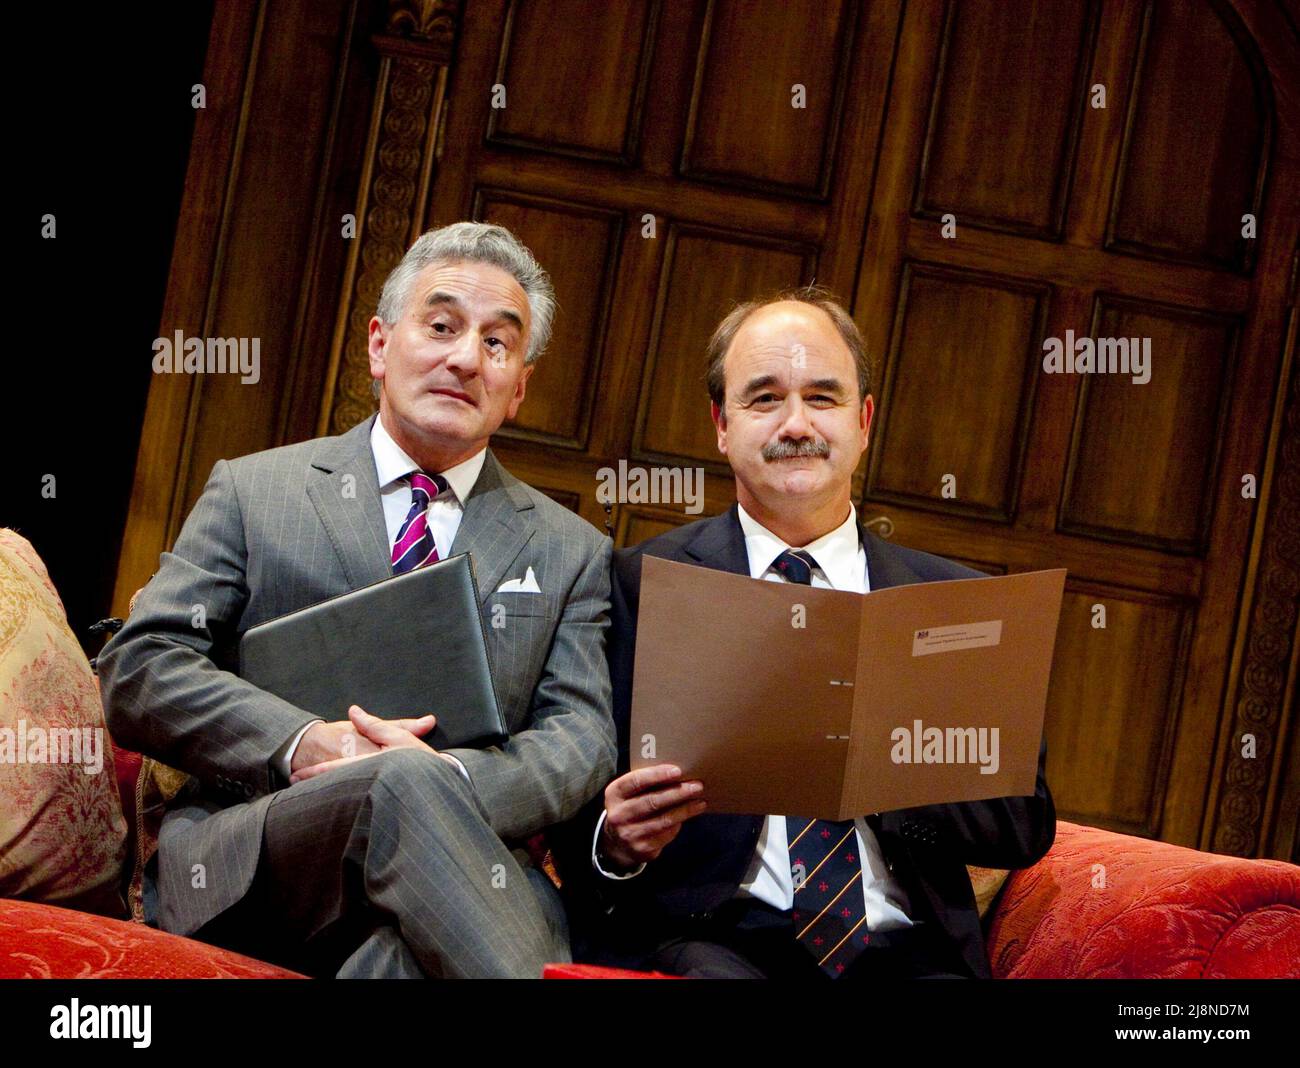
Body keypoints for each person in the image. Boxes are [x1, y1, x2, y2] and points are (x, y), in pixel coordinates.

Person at [99, 222, 615, 978]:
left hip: (464, 876)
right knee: (404, 781)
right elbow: (139, 666)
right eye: (441, 326)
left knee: (397, 955)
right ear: (379, 345)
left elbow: (581, 737)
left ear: (519, 391)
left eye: (498, 344)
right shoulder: (255, 490)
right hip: (259, 856)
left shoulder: (571, 550)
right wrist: (309, 741)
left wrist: (457, 782)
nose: (466, 357)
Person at [551, 287, 1054, 979]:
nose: (796, 423)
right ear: (721, 424)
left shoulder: (952, 603)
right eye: (764, 398)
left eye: (823, 397)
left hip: (907, 955)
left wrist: (881, 758)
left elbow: (1021, 826)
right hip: (712, 942)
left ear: (864, 420)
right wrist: (619, 842)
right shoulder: (639, 582)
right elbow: (574, 812)